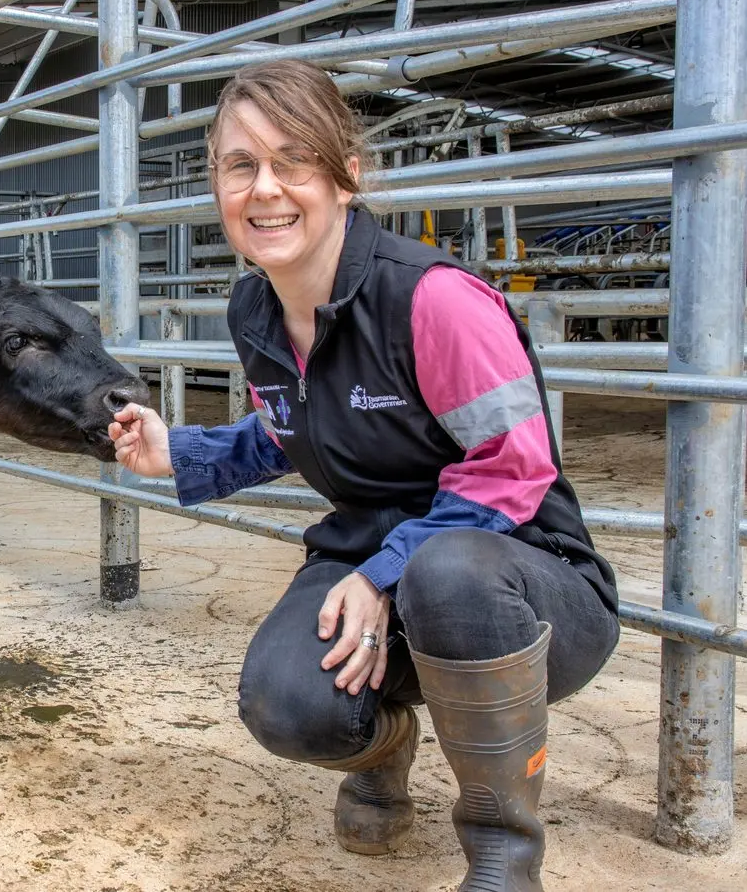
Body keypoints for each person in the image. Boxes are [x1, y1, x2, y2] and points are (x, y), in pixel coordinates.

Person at [108, 59, 619, 892]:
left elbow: (512, 469)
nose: (264, 188)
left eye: (292, 160)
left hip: (524, 586)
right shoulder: (256, 308)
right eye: (240, 166)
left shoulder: (434, 300)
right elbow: (295, 426)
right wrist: (182, 451)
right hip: (376, 565)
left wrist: (383, 574)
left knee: (443, 571)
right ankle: (385, 745)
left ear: (347, 175)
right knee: (285, 704)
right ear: (216, 184)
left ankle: (501, 852)